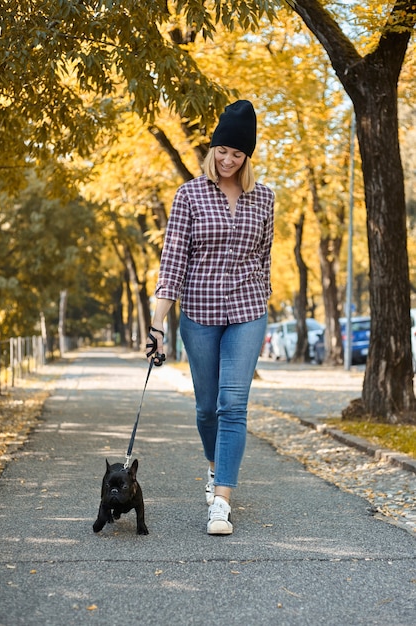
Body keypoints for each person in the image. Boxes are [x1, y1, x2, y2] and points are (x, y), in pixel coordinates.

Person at [146, 100, 275, 535]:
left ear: (247, 157)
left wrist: (265, 307)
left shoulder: (265, 198)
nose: (227, 159)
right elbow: (173, 263)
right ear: (212, 148)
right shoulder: (189, 195)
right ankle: (215, 465)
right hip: (199, 312)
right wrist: (158, 324)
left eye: (237, 154)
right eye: (222, 150)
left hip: (247, 311)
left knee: (232, 405)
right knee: (206, 409)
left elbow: (264, 259)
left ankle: (221, 501)